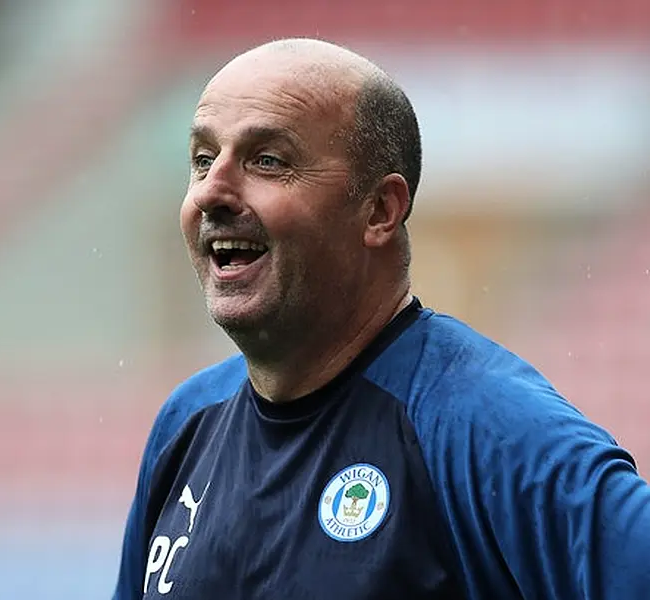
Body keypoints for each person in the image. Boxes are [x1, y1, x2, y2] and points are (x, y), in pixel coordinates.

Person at [111, 38, 650, 599]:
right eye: (202, 160)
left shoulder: (488, 429)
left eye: (267, 161)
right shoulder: (186, 425)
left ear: (380, 210)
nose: (212, 193)